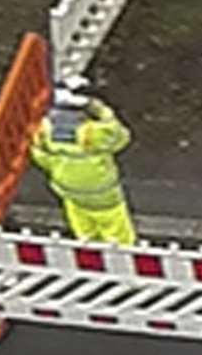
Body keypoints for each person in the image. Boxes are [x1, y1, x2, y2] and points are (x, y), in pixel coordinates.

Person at [29, 76, 137, 246]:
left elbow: (40, 157)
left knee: (85, 236)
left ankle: (92, 263)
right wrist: (103, 112)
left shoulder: (44, 129)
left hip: (69, 191)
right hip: (103, 193)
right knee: (118, 236)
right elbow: (121, 138)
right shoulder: (92, 132)